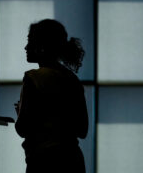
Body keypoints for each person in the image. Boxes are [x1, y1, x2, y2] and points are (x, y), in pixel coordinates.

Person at [15, 19, 88, 173]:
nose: (26, 47)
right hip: (72, 160)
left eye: (30, 41)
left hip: (43, 161)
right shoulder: (72, 79)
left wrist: (21, 111)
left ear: (42, 45)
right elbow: (82, 130)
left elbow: (22, 128)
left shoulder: (33, 78)